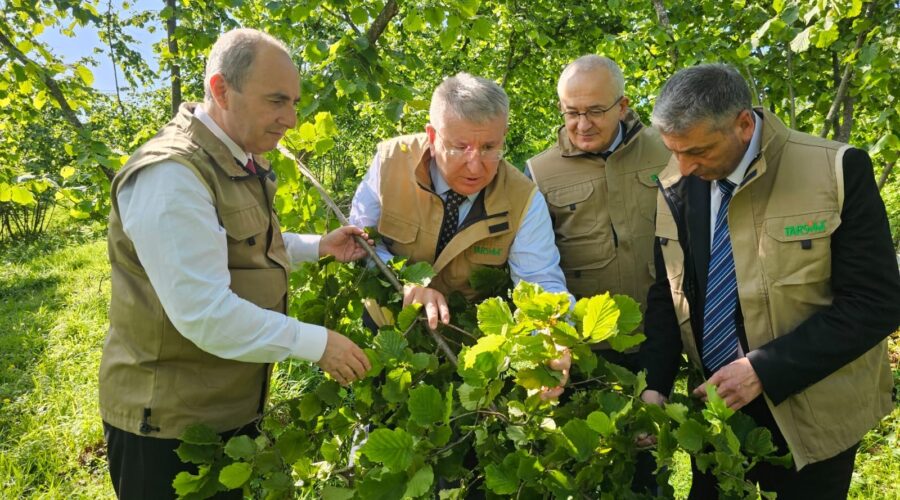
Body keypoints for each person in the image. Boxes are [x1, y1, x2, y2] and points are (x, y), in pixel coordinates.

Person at [100, 28, 372, 498]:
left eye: (294, 102)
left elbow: (233, 242)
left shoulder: (234, 156)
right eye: (276, 101)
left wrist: (317, 246)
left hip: (224, 406)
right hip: (168, 428)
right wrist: (317, 343)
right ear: (221, 89)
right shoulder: (172, 175)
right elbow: (204, 314)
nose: (290, 118)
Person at [640, 63, 900, 498]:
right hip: (715, 411)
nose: (683, 167)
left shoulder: (835, 169)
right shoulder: (678, 182)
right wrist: (655, 384)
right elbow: (669, 292)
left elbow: (877, 303)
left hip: (813, 415)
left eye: (698, 151)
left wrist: (763, 369)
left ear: (744, 124)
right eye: (674, 151)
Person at [349, 72, 571, 397]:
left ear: (504, 135)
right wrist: (408, 285)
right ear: (432, 135)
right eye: (459, 147)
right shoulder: (389, 161)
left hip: (469, 349)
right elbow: (360, 244)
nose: (475, 165)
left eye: (489, 147)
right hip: (386, 329)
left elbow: (541, 282)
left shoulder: (524, 199)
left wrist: (549, 336)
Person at [525, 53, 671, 495]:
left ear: (623, 106)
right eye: (572, 112)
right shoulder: (538, 171)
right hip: (582, 351)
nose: (582, 124)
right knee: (582, 471)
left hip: (657, 338)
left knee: (647, 465)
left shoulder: (667, 152)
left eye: (595, 111)